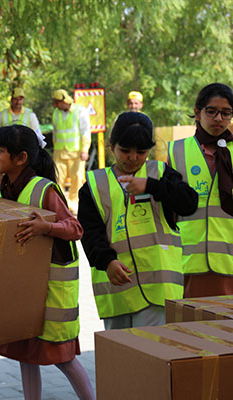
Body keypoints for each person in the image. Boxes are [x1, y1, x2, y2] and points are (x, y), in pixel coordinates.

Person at [0, 125, 94, 400]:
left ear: (20, 158)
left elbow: (75, 228)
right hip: (23, 287)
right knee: (25, 354)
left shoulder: (43, 189)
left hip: (51, 290)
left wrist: (46, 227)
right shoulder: (3, 190)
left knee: (63, 357)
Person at [78, 112, 197, 330]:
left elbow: (189, 203)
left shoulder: (160, 174)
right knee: (119, 350)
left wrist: (152, 186)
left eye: (141, 152)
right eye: (125, 150)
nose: (133, 158)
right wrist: (107, 261)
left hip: (158, 287)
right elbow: (90, 232)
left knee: (150, 348)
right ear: (111, 146)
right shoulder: (94, 185)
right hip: (118, 288)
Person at [167, 83, 233, 297]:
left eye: (226, 113)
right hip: (189, 261)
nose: (218, 118)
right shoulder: (177, 151)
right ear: (197, 113)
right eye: (211, 111)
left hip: (229, 260)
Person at [0, 88, 42, 191]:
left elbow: (38, 137)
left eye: (20, 99)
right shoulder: (3, 115)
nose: (18, 102)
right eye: (15, 99)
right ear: (11, 99)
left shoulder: (30, 115)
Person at [51, 89, 91, 212]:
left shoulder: (80, 111)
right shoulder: (56, 113)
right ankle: (61, 205)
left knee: (77, 179)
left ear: (63, 101)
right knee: (57, 179)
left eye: (57, 102)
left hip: (76, 153)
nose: (55, 105)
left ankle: (74, 205)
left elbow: (85, 132)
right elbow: (55, 133)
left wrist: (85, 149)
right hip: (59, 152)